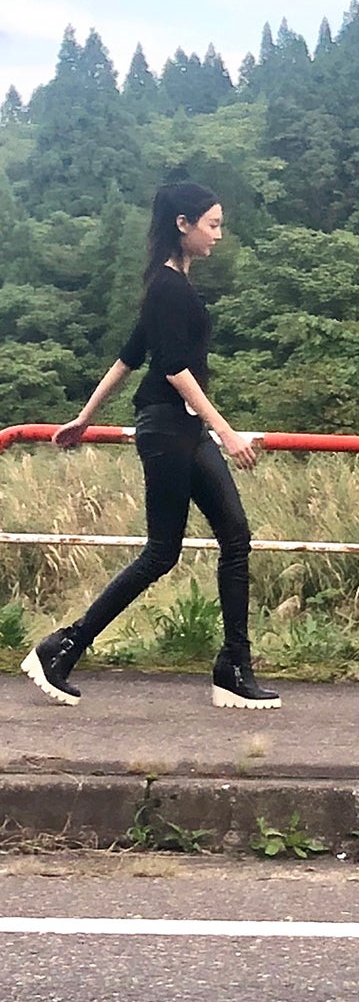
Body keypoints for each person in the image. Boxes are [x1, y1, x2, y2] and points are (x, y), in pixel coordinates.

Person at [22, 182, 279, 710]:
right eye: (212, 224)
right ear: (183, 224)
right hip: (167, 429)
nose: (219, 234)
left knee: (235, 536)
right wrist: (226, 430)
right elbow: (172, 369)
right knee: (162, 552)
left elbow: (127, 357)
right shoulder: (166, 287)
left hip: (185, 429)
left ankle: (233, 666)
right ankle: (63, 647)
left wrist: (84, 418)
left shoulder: (172, 285)